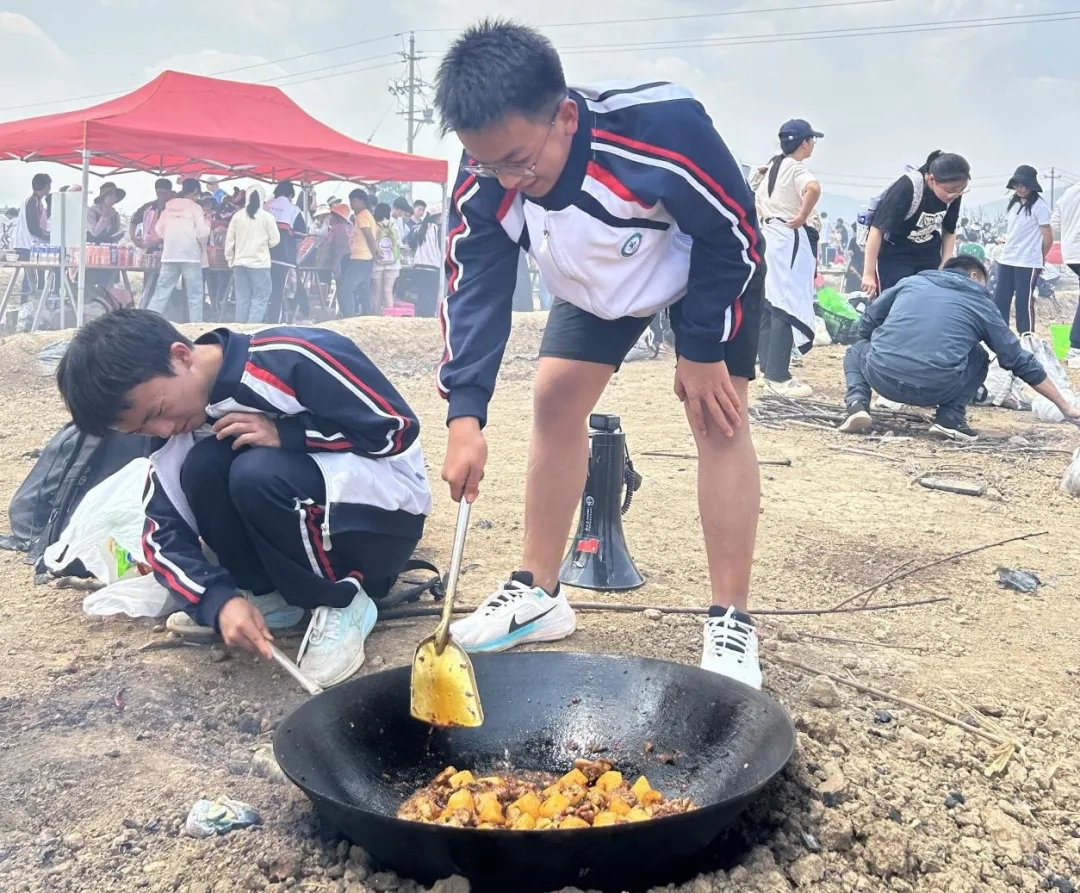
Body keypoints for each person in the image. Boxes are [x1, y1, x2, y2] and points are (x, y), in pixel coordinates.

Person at [434, 21, 766, 688]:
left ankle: (731, 617)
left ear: (562, 116)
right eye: (489, 162)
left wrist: (699, 350)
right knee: (554, 398)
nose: (509, 179)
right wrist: (464, 414)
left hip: (700, 268)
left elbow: (734, 231)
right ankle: (539, 592)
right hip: (593, 284)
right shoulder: (486, 176)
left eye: (521, 161)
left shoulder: (661, 130)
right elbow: (473, 288)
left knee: (717, 416)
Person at [55, 309, 431, 688]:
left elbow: (395, 430)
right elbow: (162, 534)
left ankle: (341, 600)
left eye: (159, 412)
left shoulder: (291, 356)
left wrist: (290, 434)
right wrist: (217, 601)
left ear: (181, 356)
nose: (163, 429)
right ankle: (271, 597)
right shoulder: (178, 426)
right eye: (143, 428)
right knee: (202, 466)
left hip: (382, 523)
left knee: (257, 473)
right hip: (305, 520)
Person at [840, 256, 1080, 441]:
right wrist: (1064, 406)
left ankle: (857, 405)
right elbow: (1017, 359)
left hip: (883, 378)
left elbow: (868, 321)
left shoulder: (911, 283)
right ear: (974, 276)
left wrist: (884, 350)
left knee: (856, 350)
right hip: (937, 388)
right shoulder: (981, 302)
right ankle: (950, 419)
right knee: (979, 355)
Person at [751, 119, 823, 398]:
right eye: (812, 140)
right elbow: (813, 188)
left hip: (769, 234)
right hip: (787, 234)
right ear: (804, 142)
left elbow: (752, 187)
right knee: (786, 304)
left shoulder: (771, 165)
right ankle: (778, 376)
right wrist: (803, 215)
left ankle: (768, 369)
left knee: (770, 303)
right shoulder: (795, 167)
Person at [860, 151, 970, 296]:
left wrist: (945, 263)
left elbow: (949, 229)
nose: (955, 195)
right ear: (931, 180)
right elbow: (877, 229)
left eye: (961, 190)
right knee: (896, 301)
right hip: (897, 254)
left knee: (926, 301)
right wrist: (868, 274)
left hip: (928, 254)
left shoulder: (954, 193)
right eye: (950, 191)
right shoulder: (908, 187)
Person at [994, 165, 1053, 334]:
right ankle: (1000, 336)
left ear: (1031, 185)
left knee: (1023, 302)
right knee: (1000, 300)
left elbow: (1048, 238)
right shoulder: (1013, 204)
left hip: (1027, 261)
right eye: (1016, 185)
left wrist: (1040, 257)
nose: (1019, 188)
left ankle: (1026, 337)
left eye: (1023, 185)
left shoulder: (1040, 207)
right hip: (1007, 258)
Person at [147, 178, 210, 323]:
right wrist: (207, 222)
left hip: (169, 254)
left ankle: (148, 323)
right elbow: (202, 233)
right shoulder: (196, 208)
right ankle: (196, 327)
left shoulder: (168, 207)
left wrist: (170, 238)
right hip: (190, 256)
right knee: (195, 295)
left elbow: (158, 229)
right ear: (195, 191)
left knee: (161, 292)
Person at [225, 185, 281, 324]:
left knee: (242, 299)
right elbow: (275, 240)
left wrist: (230, 260)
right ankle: (251, 330)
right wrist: (263, 246)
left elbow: (230, 240)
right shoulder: (267, 217)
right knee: (260, 297)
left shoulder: (237, 217)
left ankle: (240, 330)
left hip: (239, 263)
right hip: (260, 264)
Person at [264, 181, 308, 324]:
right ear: (290, 194)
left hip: (263, 256)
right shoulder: (293, 209)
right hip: (284, 257)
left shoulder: (266, 206)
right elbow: (301, 234)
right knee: (278, 292)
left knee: (264, 291)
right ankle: (274, 322)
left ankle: (261, 319)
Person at [12, 173, 51, 322]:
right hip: (26, 244)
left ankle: (35, 307)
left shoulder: (37, 202)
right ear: (45, 186)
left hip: (32, 244)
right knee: (30, 279)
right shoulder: (32, 202)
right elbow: (34, 228)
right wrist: (48, 236)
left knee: (38, 277)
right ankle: (25, 308)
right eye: (48, 186)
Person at [1051, 180, 1080, 367]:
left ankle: (1076, 347)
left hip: (1069, 252)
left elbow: (1054, 223)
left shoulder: (1070, 192)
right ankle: (1076, 346)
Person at [337, 189, 377, 317]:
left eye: (352, 201)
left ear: (360, 201)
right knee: (363, 290)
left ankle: (350, 318)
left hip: (361, 259)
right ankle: (367, 317)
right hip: (365, 258)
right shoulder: (366, 215)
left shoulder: (362, 216)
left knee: (345, 289)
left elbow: (369, 236)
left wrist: (376, 252)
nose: (351, 205)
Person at [405, 203, 442, 318]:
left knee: (421, 293)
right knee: (432, 294)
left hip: (419, 266)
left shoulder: (416, 228)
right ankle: (429, 317)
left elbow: (411, 245)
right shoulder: (439, 230)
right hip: (434, 266)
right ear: (437, 216)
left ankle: (420, 316)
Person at [371, 202, 401, 314]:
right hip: (393, 263)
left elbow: (371, 242)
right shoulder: (393, 225)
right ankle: (390, 318)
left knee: (377, 291)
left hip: (378, 262)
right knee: (388, 291)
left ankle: (374, 316)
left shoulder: (374, 225)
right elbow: (398, 243)